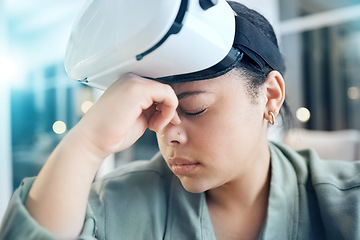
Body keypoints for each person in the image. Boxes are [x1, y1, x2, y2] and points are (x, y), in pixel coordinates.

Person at [1, 1, 360, 240]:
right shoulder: (118, 203)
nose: (167, 132)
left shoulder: (345, 203)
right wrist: (89, 141)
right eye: (155, 111)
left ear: (269, 95)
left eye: (194, 109)